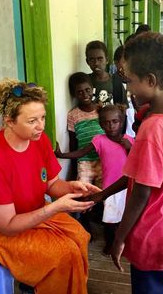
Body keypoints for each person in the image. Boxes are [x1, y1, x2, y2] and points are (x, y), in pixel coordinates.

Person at [0, 79, 100, 294]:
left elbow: (52, 184)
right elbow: (7, 226)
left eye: (43, 117)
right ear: (9, 121)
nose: (41, 126)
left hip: (32, 214)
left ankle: (41, 285)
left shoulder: (39, 140)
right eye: (32, 121)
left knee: (79, 234)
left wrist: (74, 187)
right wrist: (55, 207)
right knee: (62, 253)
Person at [82, 32, 163, 294]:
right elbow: (139, 176)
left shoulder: (152, 129)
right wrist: (103, 195)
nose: (128, 88)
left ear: (150, 80)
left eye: (130, 81)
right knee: (156, 286)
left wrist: (119, 238)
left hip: (150, 228)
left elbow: (141, 192)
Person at [55, 104, 134, 256]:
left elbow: (137, 164)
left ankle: (125, 243)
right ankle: (110, 243)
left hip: (127, 187)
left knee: (126, 218)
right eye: (106, 122)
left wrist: (129, 148)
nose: (111, 126)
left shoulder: (129, 141)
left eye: (115, 121)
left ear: (122, 121)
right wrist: (62, 155)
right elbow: (81, 152)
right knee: (110, 220)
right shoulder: (99, 140)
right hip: (109, 188)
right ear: (100, 124)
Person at [67, 72, 104, 231]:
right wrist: (74, 164)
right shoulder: (73, 115)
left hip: (104, 159)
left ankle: (104, 221)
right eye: (79, 92)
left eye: (88, 90)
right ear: (73, 94)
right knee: (84, 192)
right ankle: (85, 224)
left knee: (103, 191)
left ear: (93, 89)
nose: (85, 94)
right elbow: (73, 141)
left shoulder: (101, 110)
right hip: (84, 160)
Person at [86, 40, 126, 106]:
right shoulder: (86, 81)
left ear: (107, 60)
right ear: (87, 62)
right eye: (92, 60)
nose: (96, 63)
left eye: (100, 59)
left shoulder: (115, 81)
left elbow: (122, 107)